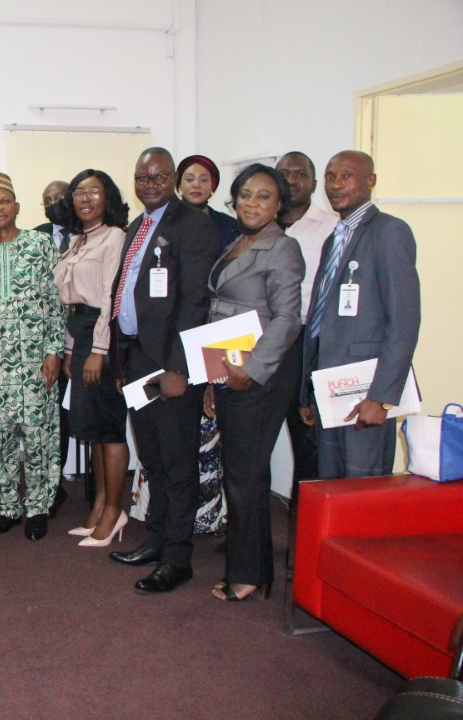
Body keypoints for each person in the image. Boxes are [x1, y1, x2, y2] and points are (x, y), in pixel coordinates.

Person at [108, 147, 217, 594]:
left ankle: (178, 557)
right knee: (150, 457)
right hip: (136, 360)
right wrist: (121, 360)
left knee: (177, 462)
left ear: (172, 178)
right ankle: (154, 540)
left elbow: (195, 303)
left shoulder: (194, 225)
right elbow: (125, 295)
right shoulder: (139, 226)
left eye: (158, 177)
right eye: (142, 177)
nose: (149, 184)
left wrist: (179, 368)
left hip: (168, 364)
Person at [202, 164, 305, 602]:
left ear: (279, 204)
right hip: (228, 364)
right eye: (245, 194)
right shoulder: (237, 242)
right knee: (241, 472)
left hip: (260, 375)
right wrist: (213, 379)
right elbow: (221, 313)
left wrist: (252, 369)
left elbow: (287, 319)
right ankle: (256, 566)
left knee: (244, 476)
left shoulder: (283, 248)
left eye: (263, 196)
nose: (252, 203)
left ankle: (247, 574)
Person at [300, 151, 420, 478]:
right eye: (329, 177)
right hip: (329, 388)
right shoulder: (334, 239)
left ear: (371, 181)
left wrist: (381, 397)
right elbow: (320, 320)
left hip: (365, 390)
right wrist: (307, 391)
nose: (336, 185)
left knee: (363, 487)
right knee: (332, 482)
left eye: (347, 176)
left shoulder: (389, 232)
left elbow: (404, 322)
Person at [0, 172, 65, 541]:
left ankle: (39, 508)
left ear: (17, 207)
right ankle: (9, 507)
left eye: (4, 201)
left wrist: (54, 350)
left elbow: (56, 301)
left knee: (39, 436)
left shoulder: (41, 245)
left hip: (34, 360)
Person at [51, 169, 131, 547]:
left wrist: (98, 352)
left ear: (108, 197)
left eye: (94, 192)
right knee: (94, 429)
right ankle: (100, 505)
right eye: (79, 193)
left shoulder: (114, 236)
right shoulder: (80, 240)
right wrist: (70, 350)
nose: (85, 199)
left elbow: (107, 299)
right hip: (81, 336)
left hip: (104, 339)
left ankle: (115, 512)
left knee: (110, 428)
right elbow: (74, 305)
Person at [176, 153, 238, 536]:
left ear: (213, 186)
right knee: (173, 429)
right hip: (173, 340)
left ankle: (212, 513)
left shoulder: (230, 228)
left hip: (216, 333)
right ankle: (171, 513)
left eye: (204, 179)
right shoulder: (165, 222)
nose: (196, 184)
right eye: (189, 178)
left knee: (214, 421)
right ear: (178, 185)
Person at [275, 151, 338, 484]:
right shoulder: (259, 224)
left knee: (308, 445)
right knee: (251, 445)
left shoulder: (333, 227)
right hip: (264, 344)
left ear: (313, 182)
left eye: (301, 174)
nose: (292, 180)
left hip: (307, 345)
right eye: (284, 173)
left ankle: (304, 532)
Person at [34, 179, 73, 515]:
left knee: (79, 417)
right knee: (54, 414)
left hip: (86, 339)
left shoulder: (93, 231)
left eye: (59, 196)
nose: (53, 203)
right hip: (47, 341)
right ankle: (52, 483)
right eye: (47, 199)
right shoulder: (35, 236)